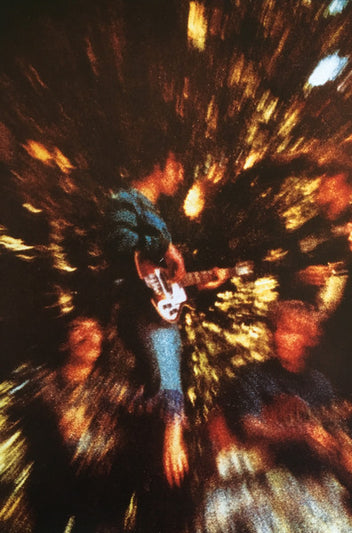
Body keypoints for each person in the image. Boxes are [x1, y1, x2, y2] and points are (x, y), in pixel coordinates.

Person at [104, 145, 228, 530]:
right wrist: (167, 247)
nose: (182, 174)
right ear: (163, 161)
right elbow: (123, 249)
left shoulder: (156, 213)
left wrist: (199, 282)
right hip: (140, 342)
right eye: (179, 165)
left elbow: (164, 282)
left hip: (155, 348)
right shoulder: (126, 201)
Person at [196, 299, 352, 532]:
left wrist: (346, 450)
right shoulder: (253, 375)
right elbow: (251, 427)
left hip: (305, 482)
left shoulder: (320, 384)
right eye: (275, 329)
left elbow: (337, 432)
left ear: (309, 338)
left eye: (288, 331)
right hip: (253, 481)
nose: (277, 337)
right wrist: (300, 432)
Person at [280, 165, 352, 399]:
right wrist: (301, 277)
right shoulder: (304, 233)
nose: (326, 193)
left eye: (334, 187)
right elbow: (283, 282)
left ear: (349, 191)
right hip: (319, 341)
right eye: (323, 187)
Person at [20, 313, 132, 533]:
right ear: (64, 342)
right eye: (78, 327)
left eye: (95, 329)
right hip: (52, 492)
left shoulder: (114, 387)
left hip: (101, 498)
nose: (88, 335)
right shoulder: (41, 385)